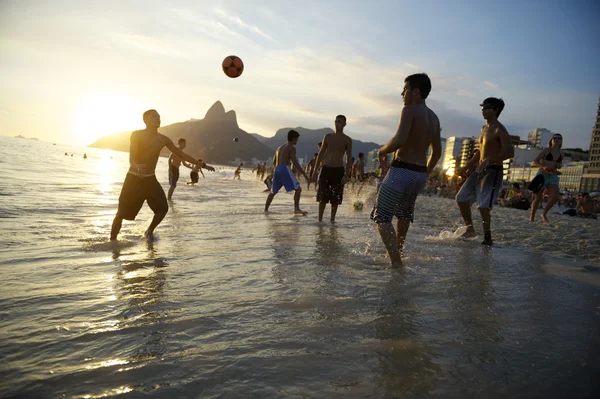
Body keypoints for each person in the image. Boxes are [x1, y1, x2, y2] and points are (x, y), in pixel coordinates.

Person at [370, 73, 442, 268]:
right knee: (403, 215)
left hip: (402, 170)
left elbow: (399, 140)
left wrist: (382, 150)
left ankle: (396, 263)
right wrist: (424, 173)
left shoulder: (409, 110)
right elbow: (437, 152)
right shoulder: (434, 118)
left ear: (416, 92)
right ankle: (399, 252)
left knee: (382, 217)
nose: (402, 93)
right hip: (418, 174)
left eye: (405, 89)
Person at [110, 110, 207, 241]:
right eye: (154, 116)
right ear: (145, 120)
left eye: (159, 117)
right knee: (121, 213)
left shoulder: (163, 139)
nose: (158, 118)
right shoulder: (136, 135)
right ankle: (112, 242)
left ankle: (149, 231)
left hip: (150, 179)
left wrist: (202, 165)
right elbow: (132, 157)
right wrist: (136, 165)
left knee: (163, 209)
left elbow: (181, 154)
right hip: (133, 178)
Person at [455, 97, 514, 245]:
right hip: (479, 170)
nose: (483, 110)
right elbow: (479, 152)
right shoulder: (483, 129)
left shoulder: (499, 129)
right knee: (461, 198)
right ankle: (470, 229)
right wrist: (467, 165)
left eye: (486, 107)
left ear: (495, 110)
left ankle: (488, 237)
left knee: (483, 206)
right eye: (482, 107)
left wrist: (492, 159)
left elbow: (510, 152)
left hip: (493, 171)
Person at [311, 116, 353, 222]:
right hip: (326, 169)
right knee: (322, 197)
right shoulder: (328, 137)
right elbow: (321, 154)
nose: (337, 123)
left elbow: (348, 158)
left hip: (338, 171)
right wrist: (315, 169)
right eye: (336, 121)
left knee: (336, 198)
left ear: (344, 124)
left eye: (339, 122)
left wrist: (347, 174)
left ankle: (332, 220)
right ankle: (319, 220)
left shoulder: (347, 140)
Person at [264, 130, 309, 214]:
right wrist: (304, 174)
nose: (297, 141)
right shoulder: (291, 148)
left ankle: (266, 210)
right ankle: (296, 209)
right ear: (293, 139)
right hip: (284, 169)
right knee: (298, 189)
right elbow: (295, 162)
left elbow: (274, 161)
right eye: (297, 139)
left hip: (277, 169)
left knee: (273, 192)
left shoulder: (279, 148)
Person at [529, 134, 564, 222]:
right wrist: (543, 166)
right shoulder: (546, 150)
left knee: (555, 197)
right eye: (555, 138)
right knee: (538, 197)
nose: (557, 139)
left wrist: (558, 166)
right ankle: (532, 217)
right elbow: (535, 161)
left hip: (553, 176)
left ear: (561, 141)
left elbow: (559, 165)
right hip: (542, 174)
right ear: (551, 140)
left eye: (559, 138)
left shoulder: (561, 153)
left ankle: (544, 213)